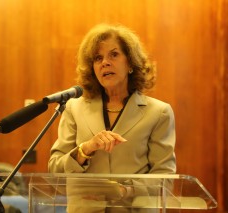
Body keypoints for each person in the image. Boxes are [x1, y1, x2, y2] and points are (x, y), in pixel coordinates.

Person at [48, 23, 176, 212]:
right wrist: (85, 149)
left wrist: (127, 190)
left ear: (130, 62)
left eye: (114, 55)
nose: (105, 62)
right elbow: (55, 171)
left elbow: (165, 179)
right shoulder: (74, 108)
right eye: (98, 58)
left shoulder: (158, 112)